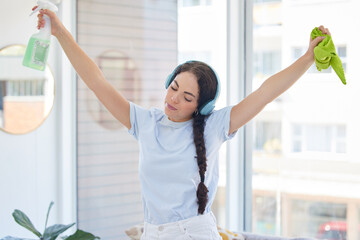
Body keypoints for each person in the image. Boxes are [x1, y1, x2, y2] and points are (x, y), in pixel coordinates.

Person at [36, 7, 330, 240]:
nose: (174, 98)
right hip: (153, 233)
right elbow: (96, 81)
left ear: (200, 106)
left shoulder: (215, 127)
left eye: (187, 96)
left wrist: (306, 58)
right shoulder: (145, 122)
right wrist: (60, 31)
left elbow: (265, 93)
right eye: (173, 86)